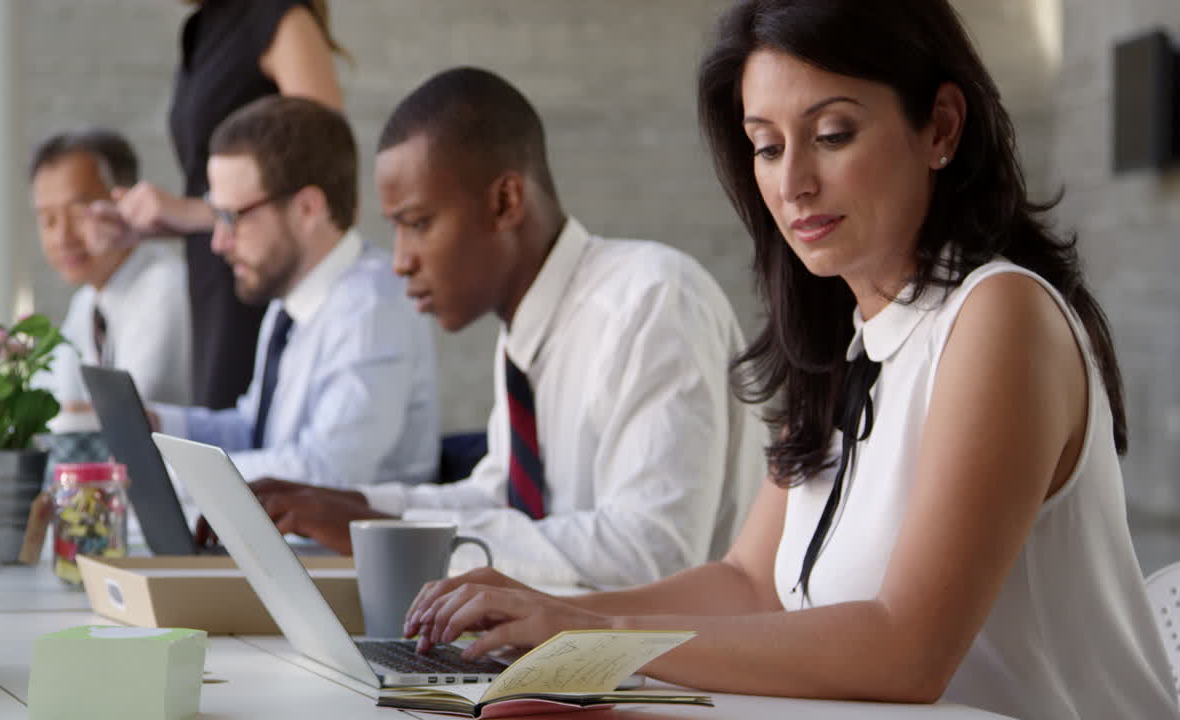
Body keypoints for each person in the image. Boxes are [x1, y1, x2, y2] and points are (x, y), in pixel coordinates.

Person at [397, 3, 1177, 718]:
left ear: (940, 127)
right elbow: (750, 583)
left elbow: (908, 649)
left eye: (832, 134)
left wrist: (585, 633)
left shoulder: (1000, 315)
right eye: (767, 146)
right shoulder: (840, 340)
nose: (793, 182)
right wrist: (549, 615)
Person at [240, 67, 764, 591]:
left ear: (505, 203)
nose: (400, 260)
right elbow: (502, 499)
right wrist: (355, 507)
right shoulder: (526, 334)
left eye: (418, 223)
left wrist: (388, 532)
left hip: (677, 669)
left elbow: (649, 552)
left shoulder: (652, 299)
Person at [154, 95, 439, 489]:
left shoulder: (372, 310)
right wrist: (159, 424)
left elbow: (326, 472)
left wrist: (174, 478)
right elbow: (255, 430)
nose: (219, 242)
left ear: (307, 208)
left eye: (231, 217)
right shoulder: (291, 304)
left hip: (339, 549)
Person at [95, 0, 346, 410]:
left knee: (243, 435)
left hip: (263, 273)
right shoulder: (202, 29)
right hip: (215, 269)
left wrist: (190, 210)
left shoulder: (277, 17)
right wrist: (163, 220)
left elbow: (326, 157)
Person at [30, 128, 191, 411]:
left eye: (79, 213)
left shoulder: (165, 286)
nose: (63, 238)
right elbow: (49, 391)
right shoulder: (87, 302)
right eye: (49, 220)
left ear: (126, 202)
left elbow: (127, 415)